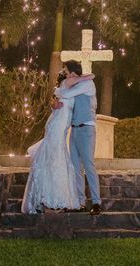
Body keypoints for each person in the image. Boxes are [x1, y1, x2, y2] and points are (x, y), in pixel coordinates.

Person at [20, 69, 94, 214]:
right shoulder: (67, 82)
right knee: (54, 157)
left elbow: (60, 101)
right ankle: (49, 197)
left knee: (56, 157)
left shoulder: (68, 87)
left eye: (69, 70)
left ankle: (53, 196)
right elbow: (91, 76)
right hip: (56, 126)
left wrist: (53, 104)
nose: (69, 73)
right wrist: (83, 77)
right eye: (67, 72)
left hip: (61, 126)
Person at [55, 60, 102, 216]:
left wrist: (74, 82)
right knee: (76, 168)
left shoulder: (88, 84)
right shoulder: (77, 83)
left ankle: (96, 203)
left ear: (72, 72)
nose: (65, 73)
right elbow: (60, 95)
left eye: (66, 71)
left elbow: (65, 93)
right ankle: (80, 203)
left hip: (87, 129)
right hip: (74, 130)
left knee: (89, 166)